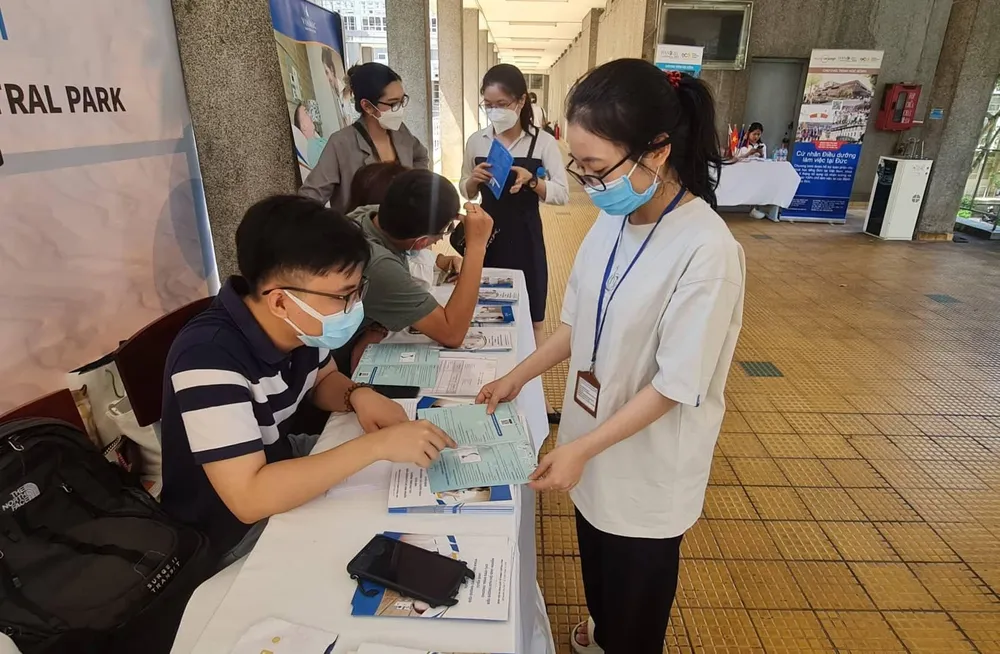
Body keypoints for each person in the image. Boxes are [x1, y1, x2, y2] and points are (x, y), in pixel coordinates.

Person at [476, 61, 745, 654]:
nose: (589, 182)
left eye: (597, 167)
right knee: (599, 573)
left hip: (644, 464)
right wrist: (515, 378)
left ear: (657, 151)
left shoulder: (706, 250)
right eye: (580, 165)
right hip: (589, 442)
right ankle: (600, 631)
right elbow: (577, 324)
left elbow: (677, 384)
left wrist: (581, 449)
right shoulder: (613, 220)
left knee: (635, 609)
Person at [160, 195, 456, 566]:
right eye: (343, 296)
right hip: (229, 533)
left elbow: (322, 378)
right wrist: (377, 445)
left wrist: (356, 395)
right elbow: (249, 497)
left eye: (357, 290)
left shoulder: (297, 326)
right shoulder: (207, 358)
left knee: (407, 491)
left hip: (282, 465)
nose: (355, 306)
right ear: (280, 302)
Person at [461, 64, 568, 423]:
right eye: (487, 103)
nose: (494, 110)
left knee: (534, 319)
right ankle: (486, 387)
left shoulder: (543, 143)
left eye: (502, 102)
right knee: (485, 316)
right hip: (486, 238)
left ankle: (536, 402)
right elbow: (465, 189)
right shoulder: (478, 140)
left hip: (526, 237)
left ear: (521, 101)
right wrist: (472, 182)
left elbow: (562, 194)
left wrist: (534, 183)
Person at [340, 169, 494, 370]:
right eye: (444, 231)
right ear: (421, 242)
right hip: (339, 361)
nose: (441, 240)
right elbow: (452, 334)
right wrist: (476, 247)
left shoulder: (369, 214)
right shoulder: (379, 265)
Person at [300, 62, 430, 212]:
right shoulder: (342, 143)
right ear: (367, 106)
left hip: (403, 229)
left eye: (402, 101)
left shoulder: (401, 132)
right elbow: (310, 197)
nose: (399, 109)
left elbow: (421, 156)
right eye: (393, 103)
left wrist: (416, 187)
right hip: (358, 232)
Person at [348, 162, 463, 290]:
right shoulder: (383, 266)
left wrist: (441, 261)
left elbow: (420, 256)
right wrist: (476, 246)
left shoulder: (366, 215)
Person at [293, 103, 329, 169]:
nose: (310, 114)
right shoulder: (312, 150)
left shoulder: (319, 140)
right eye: (306, 112)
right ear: (303, 126)